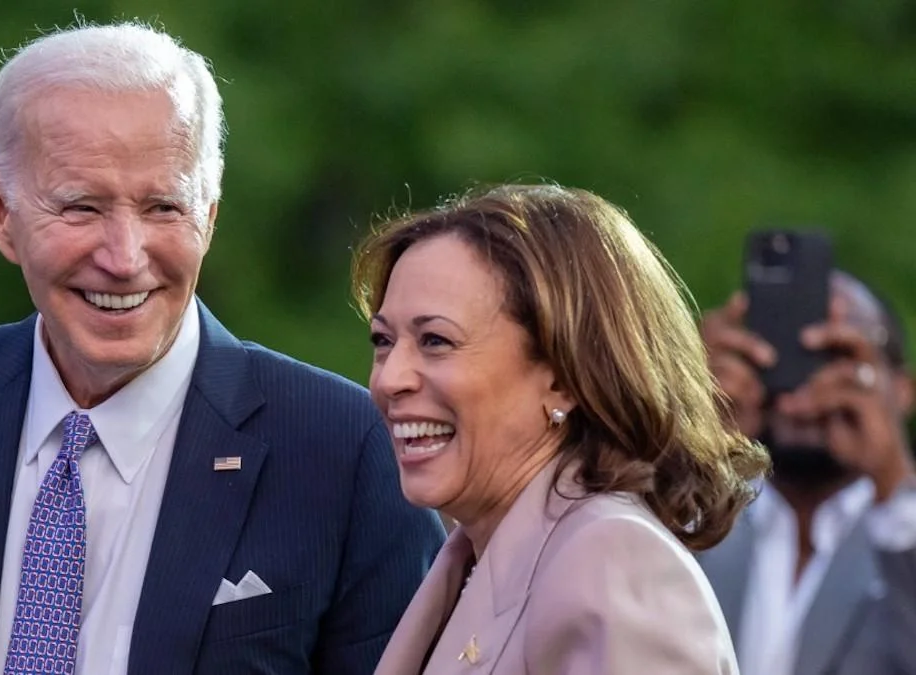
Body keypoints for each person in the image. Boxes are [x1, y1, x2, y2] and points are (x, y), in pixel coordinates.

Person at [0, 21, 445, 675]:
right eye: (81, 207)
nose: (125, 258)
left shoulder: (342, 447)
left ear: (208, 213)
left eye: (163, 208)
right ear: (1, 211)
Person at [355, 184, 769, 674]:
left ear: (565, 376)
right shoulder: (469, 559)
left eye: (436, 340)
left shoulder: (613, 562)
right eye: (384, 340)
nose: (389, 378)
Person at [698, 269, 916, 675]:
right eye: (783, 355)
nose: (806, 392)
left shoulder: (903, 535)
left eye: (836, 359)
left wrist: (893, 477)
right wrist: (690, 432)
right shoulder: (700, 514)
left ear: (901, 391)